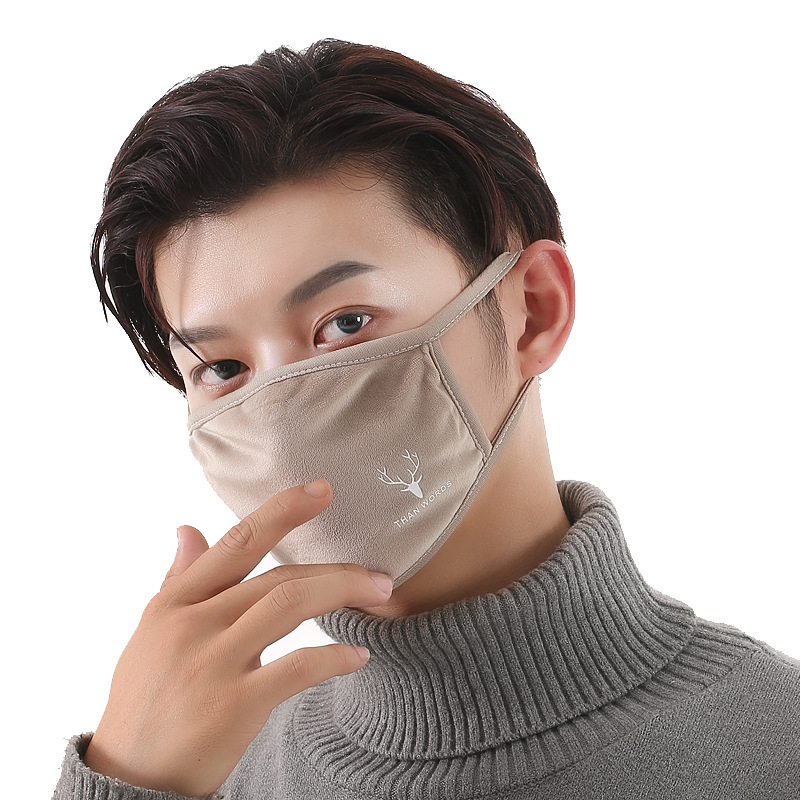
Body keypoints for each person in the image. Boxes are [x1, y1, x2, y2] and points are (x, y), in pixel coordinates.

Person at [54, 39, 800, 799]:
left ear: (534, 310)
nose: (279, 424)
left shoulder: (776, 747)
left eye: (345, 324)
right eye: (223, 369)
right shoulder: (202, 770)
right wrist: (123, 780)